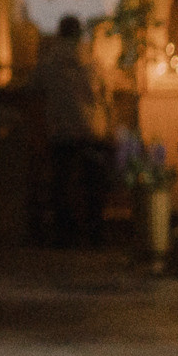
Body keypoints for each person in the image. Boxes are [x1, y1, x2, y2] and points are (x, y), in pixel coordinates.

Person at [34, 14, 112, 248]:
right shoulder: (92, 62)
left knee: (62, 184)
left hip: (61, 131)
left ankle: (64, 235)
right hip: (91, 130)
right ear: (79, 35)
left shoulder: (48, 63)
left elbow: (32, 86)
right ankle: (95, 233)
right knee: (93, 184)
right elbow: (106, 95)